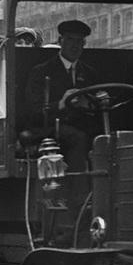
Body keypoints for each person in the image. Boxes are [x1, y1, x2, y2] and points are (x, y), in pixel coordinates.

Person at [25, 20, 100, 169]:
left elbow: (96, 104)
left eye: (79, 41)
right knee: (78, 137)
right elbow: (33, 111)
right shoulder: (41, 72)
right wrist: (61, 103)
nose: (75, 45)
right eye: (70, 39)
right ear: (60, 41)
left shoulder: (90, 73)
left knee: (105, 137)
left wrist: (90, 104)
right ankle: (78, 187)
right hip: (49, 127)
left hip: (82, 125)